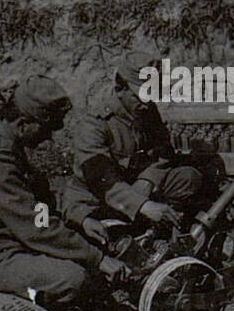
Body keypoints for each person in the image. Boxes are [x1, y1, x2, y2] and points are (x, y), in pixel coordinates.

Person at [0, 75, 126, 311]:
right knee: (71, 278)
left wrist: (82, 220)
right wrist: (97, 259)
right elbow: (34, 227)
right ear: (24, 123)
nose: (48, 137)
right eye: (45, 129)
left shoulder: (4, 141)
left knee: (79, 255)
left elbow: (42, 201)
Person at [60, 51, 208, 233]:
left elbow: (163, 152)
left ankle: (158, 227)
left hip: (136, 188)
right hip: (98, 197)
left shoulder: (146, 111)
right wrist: (143, 205)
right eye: (142, 96)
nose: (148, 103)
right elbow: (102, 180)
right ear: (120, 88)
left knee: (187, 177)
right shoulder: (94, 123)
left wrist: (148, 180)